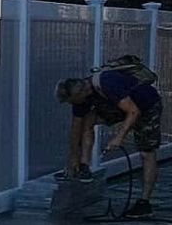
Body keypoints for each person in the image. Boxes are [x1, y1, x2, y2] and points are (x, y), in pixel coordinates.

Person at [57, 58, 164, 216]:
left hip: (146, 105)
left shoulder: (107, 83)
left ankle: (144, 202)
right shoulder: (82, 97)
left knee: (146, 153)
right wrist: (73, 158)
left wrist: (118, 138)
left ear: (81, 92)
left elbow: (134, 112)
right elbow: (76, 128)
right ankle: (85, 167)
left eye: (74, 101)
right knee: (88, 120)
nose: (74, 105)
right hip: (121, 105)